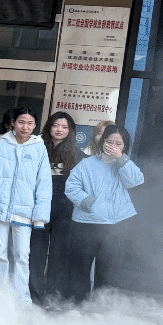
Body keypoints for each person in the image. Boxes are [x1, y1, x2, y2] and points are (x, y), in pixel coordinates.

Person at [0, 106, 51, 301]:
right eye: (21, 122)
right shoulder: (0, 144)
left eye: (30, 123)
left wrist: (40, 217)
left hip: (24, 211)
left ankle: (22, 297)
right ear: (13, 123)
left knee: (22, 255)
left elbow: (44, 184)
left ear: (35, 125)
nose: (25, 127)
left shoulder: (39, 147)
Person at [65, 124, 144, 302]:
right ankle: (78, 306)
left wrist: (121, 160)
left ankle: (103, 309)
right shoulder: (87, 164)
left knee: (109, 270)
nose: (113, 146)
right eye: (110, 142)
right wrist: (87, 202)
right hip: (87, 223)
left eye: (119, 144)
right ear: (102, 142)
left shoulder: (125, 164)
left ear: (125, 146)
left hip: (116, 225)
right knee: (80, 268)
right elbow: (71, 187)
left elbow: (135, 181)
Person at [32, 111, 82, 303]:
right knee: (35, 255)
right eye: (56, 125)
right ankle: (35, 293)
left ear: (70, 131)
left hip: (65, 214)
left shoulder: (78, 155)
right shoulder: (37, 148)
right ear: (49, 127)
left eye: (64, 127)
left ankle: (52, 295)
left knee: (58, 257)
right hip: (39, 212)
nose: (59, 130)